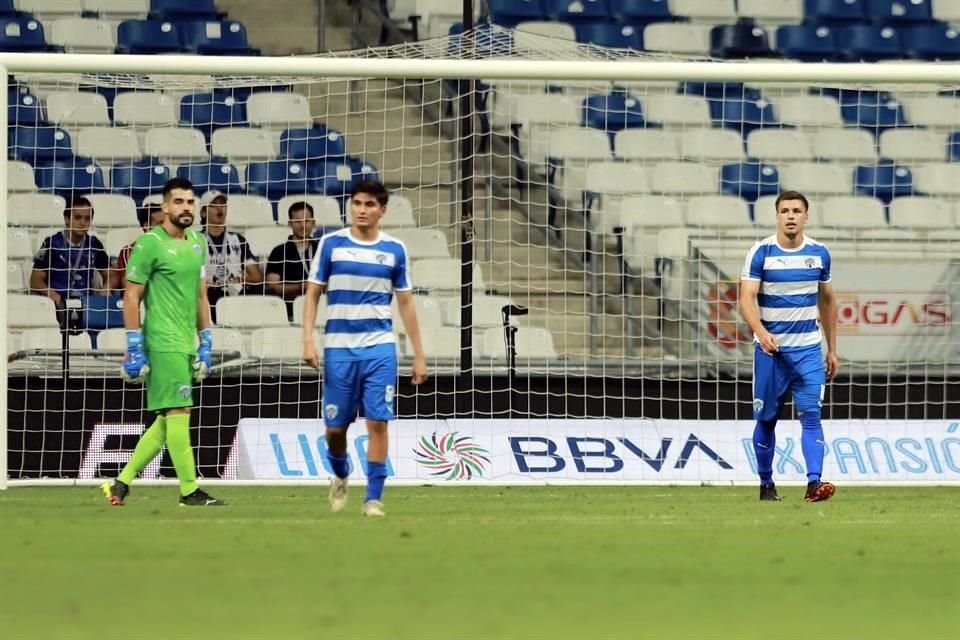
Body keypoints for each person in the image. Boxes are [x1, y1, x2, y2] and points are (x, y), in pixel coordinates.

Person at [302, 180, 428, 517]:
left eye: (369, 204)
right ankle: (341, 472)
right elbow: (313, 292)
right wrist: (307, 338)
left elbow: (406, 303)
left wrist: (418, 354)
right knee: (335, 430)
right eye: (356, 203)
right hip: (338, 349)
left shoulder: (394, 250)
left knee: (378, 423)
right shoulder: (331, 245)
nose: (361, 209)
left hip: (379, 349)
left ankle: (373, 498)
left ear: (382, 210)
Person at [102, 177, 224, 507]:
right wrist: (134, 343)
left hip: (186, 342)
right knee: (180, 410)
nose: (186, 208)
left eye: (190, 202)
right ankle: (189, 490)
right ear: (165, 207)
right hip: (162, 341)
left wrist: (206, 339)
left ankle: (121, 483)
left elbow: (201, 294)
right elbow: (131, 295)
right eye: (179, 202)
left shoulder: (198, 242)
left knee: (165, 420)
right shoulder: (149, 244)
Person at [739, 190, 839, 503]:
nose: (791, 216)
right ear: (777, 216)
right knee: (767, 419)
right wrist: (760, 331)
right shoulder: (761, 252)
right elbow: (746, 298)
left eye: (797, 210)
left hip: (808, 351)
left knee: (811, 416)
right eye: (785, 211)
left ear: (806, 216)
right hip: (771, 353)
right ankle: (766, 485)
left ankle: (814, 484)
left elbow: (828, 300)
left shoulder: (820, 253)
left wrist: (832, 348)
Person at [30, 196, 111, 327]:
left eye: (87, 219)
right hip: (58, 304)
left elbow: (111, 274)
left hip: (86, 304)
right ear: (67, 219)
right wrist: (51, 293)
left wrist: (107, 288)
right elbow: (35, 280)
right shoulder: (52, 243)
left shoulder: (94, 243)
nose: (83, 223)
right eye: (78, 217)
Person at [199, 190, 264, 320]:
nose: (220, 208)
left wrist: (243, 279)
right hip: (207, 295)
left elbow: (257, 277)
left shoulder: (238, 240)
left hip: (236, 293)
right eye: (214, 205)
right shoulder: (195, 240)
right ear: (203, 212)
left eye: (223, 204)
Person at [265, 201, 319, 320]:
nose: (302, 225)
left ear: (313, 223)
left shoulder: (321, 249)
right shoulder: (279, 252)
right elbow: (272, 287)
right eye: (297, 221)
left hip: (320, 307)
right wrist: (301, 287)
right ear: (290, 224)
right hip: (289, 310)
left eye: (306, 221)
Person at [112, 203, 166, 290]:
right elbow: (129, 286)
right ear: (146, 226)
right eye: (160, 223)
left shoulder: (178, 248)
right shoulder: (129, 252)